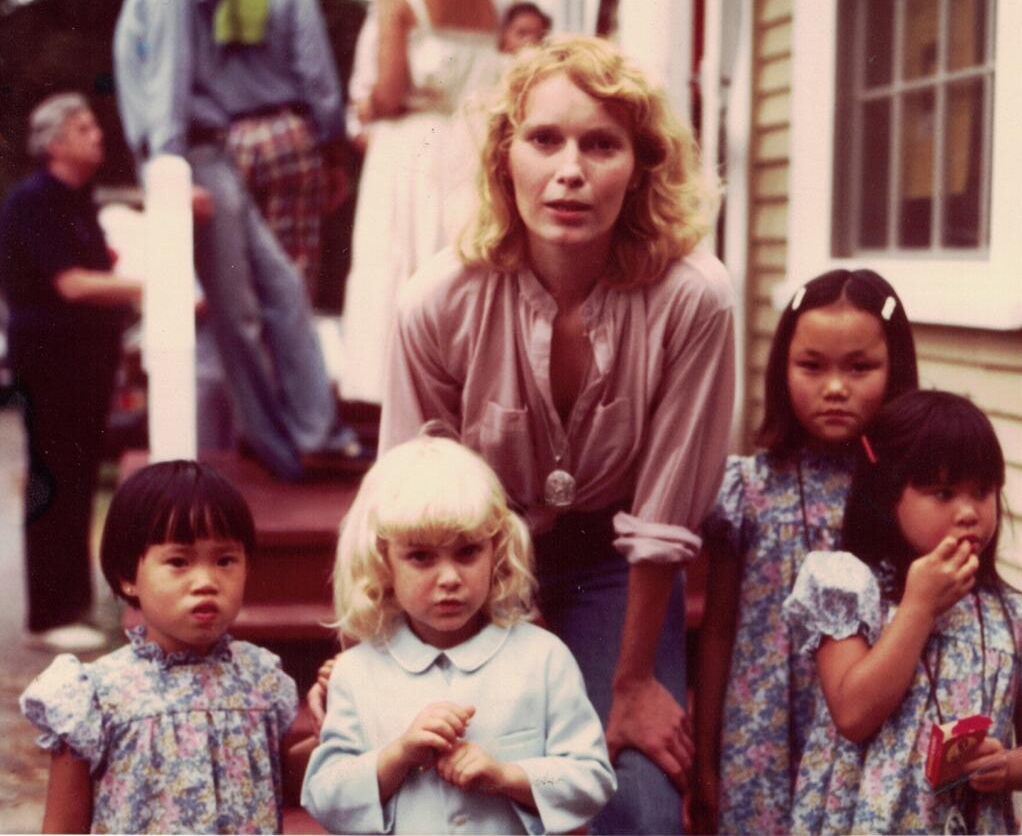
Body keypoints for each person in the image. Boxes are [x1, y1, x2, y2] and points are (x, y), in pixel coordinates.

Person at [377, 36, 735, 833]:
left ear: (640, 166)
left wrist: (635, 682)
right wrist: (374, 657)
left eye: (601, 144)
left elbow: (666, 515)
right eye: (545, 140)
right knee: (463, 794)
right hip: (478, 565)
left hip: (619, 570)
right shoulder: (437, 300)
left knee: (634, 804)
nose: (570, 171)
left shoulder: (693, 300)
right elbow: (409, 505)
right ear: (507, 157)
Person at [783, 390, 1022, 833]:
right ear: (889, 496)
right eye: (943, 493)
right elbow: (852, 714)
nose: (969, 512)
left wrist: (1008, 765)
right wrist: (920, 607)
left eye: (982, 492)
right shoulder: (850, 589)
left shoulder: (1020, 620)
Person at [690, 268, 919, 834]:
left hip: (864, 731)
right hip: (760, 735)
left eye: (859, 367)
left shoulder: (909, 494)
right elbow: (718, 627)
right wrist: (705, 755)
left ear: (896, 372)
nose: (835, 387)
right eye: (811, 366)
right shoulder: (749, 488)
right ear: (781, 369)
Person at [301, 437, 617, 833]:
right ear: (383, 563)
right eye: (421, 556)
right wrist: (397, 757)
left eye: (468, 552)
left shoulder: (543, 659)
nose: (449, 578)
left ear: (496, 551)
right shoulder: (356, 672)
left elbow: (587, 778)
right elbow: (325, 792)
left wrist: (509, 776)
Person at [112, 0, 361, 481]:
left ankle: (314, 434)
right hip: (192, 157)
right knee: (237, 313)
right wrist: (169, 168)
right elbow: (167, 74)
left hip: (219, 152)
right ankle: (278, 444)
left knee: (284, 287)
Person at [18, 460, 314, 833]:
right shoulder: (96, 695)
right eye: (179, 561)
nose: (206, 581)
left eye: (225, 561)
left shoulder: (261, 681)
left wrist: (328, 733)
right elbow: (63, 826)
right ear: (128, 577)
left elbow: (282, 785)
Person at [0, 93, 142, 652]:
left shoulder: (77, 199)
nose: (98, 135)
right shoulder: (36, 200)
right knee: (54, 478)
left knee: (78, 478)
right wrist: (154, 286)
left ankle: (72, 602)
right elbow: (73, 283)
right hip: (52, 360)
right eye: (83, 127)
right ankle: (50, 611)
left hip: (83, 360)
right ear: (55, 141)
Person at [339, 0, 503, 404]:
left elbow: (391, 93)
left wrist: (368, 104)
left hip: (412, 150)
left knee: (397, 262)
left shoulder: (398, 5)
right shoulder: (495, 7)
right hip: (470, 145)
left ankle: (397, 393)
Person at [218, 0, 349, 301]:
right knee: (291, 278)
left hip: (223, 140)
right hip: (285, 138)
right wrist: (334, 154)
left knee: (232, 278)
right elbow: (316, 74)